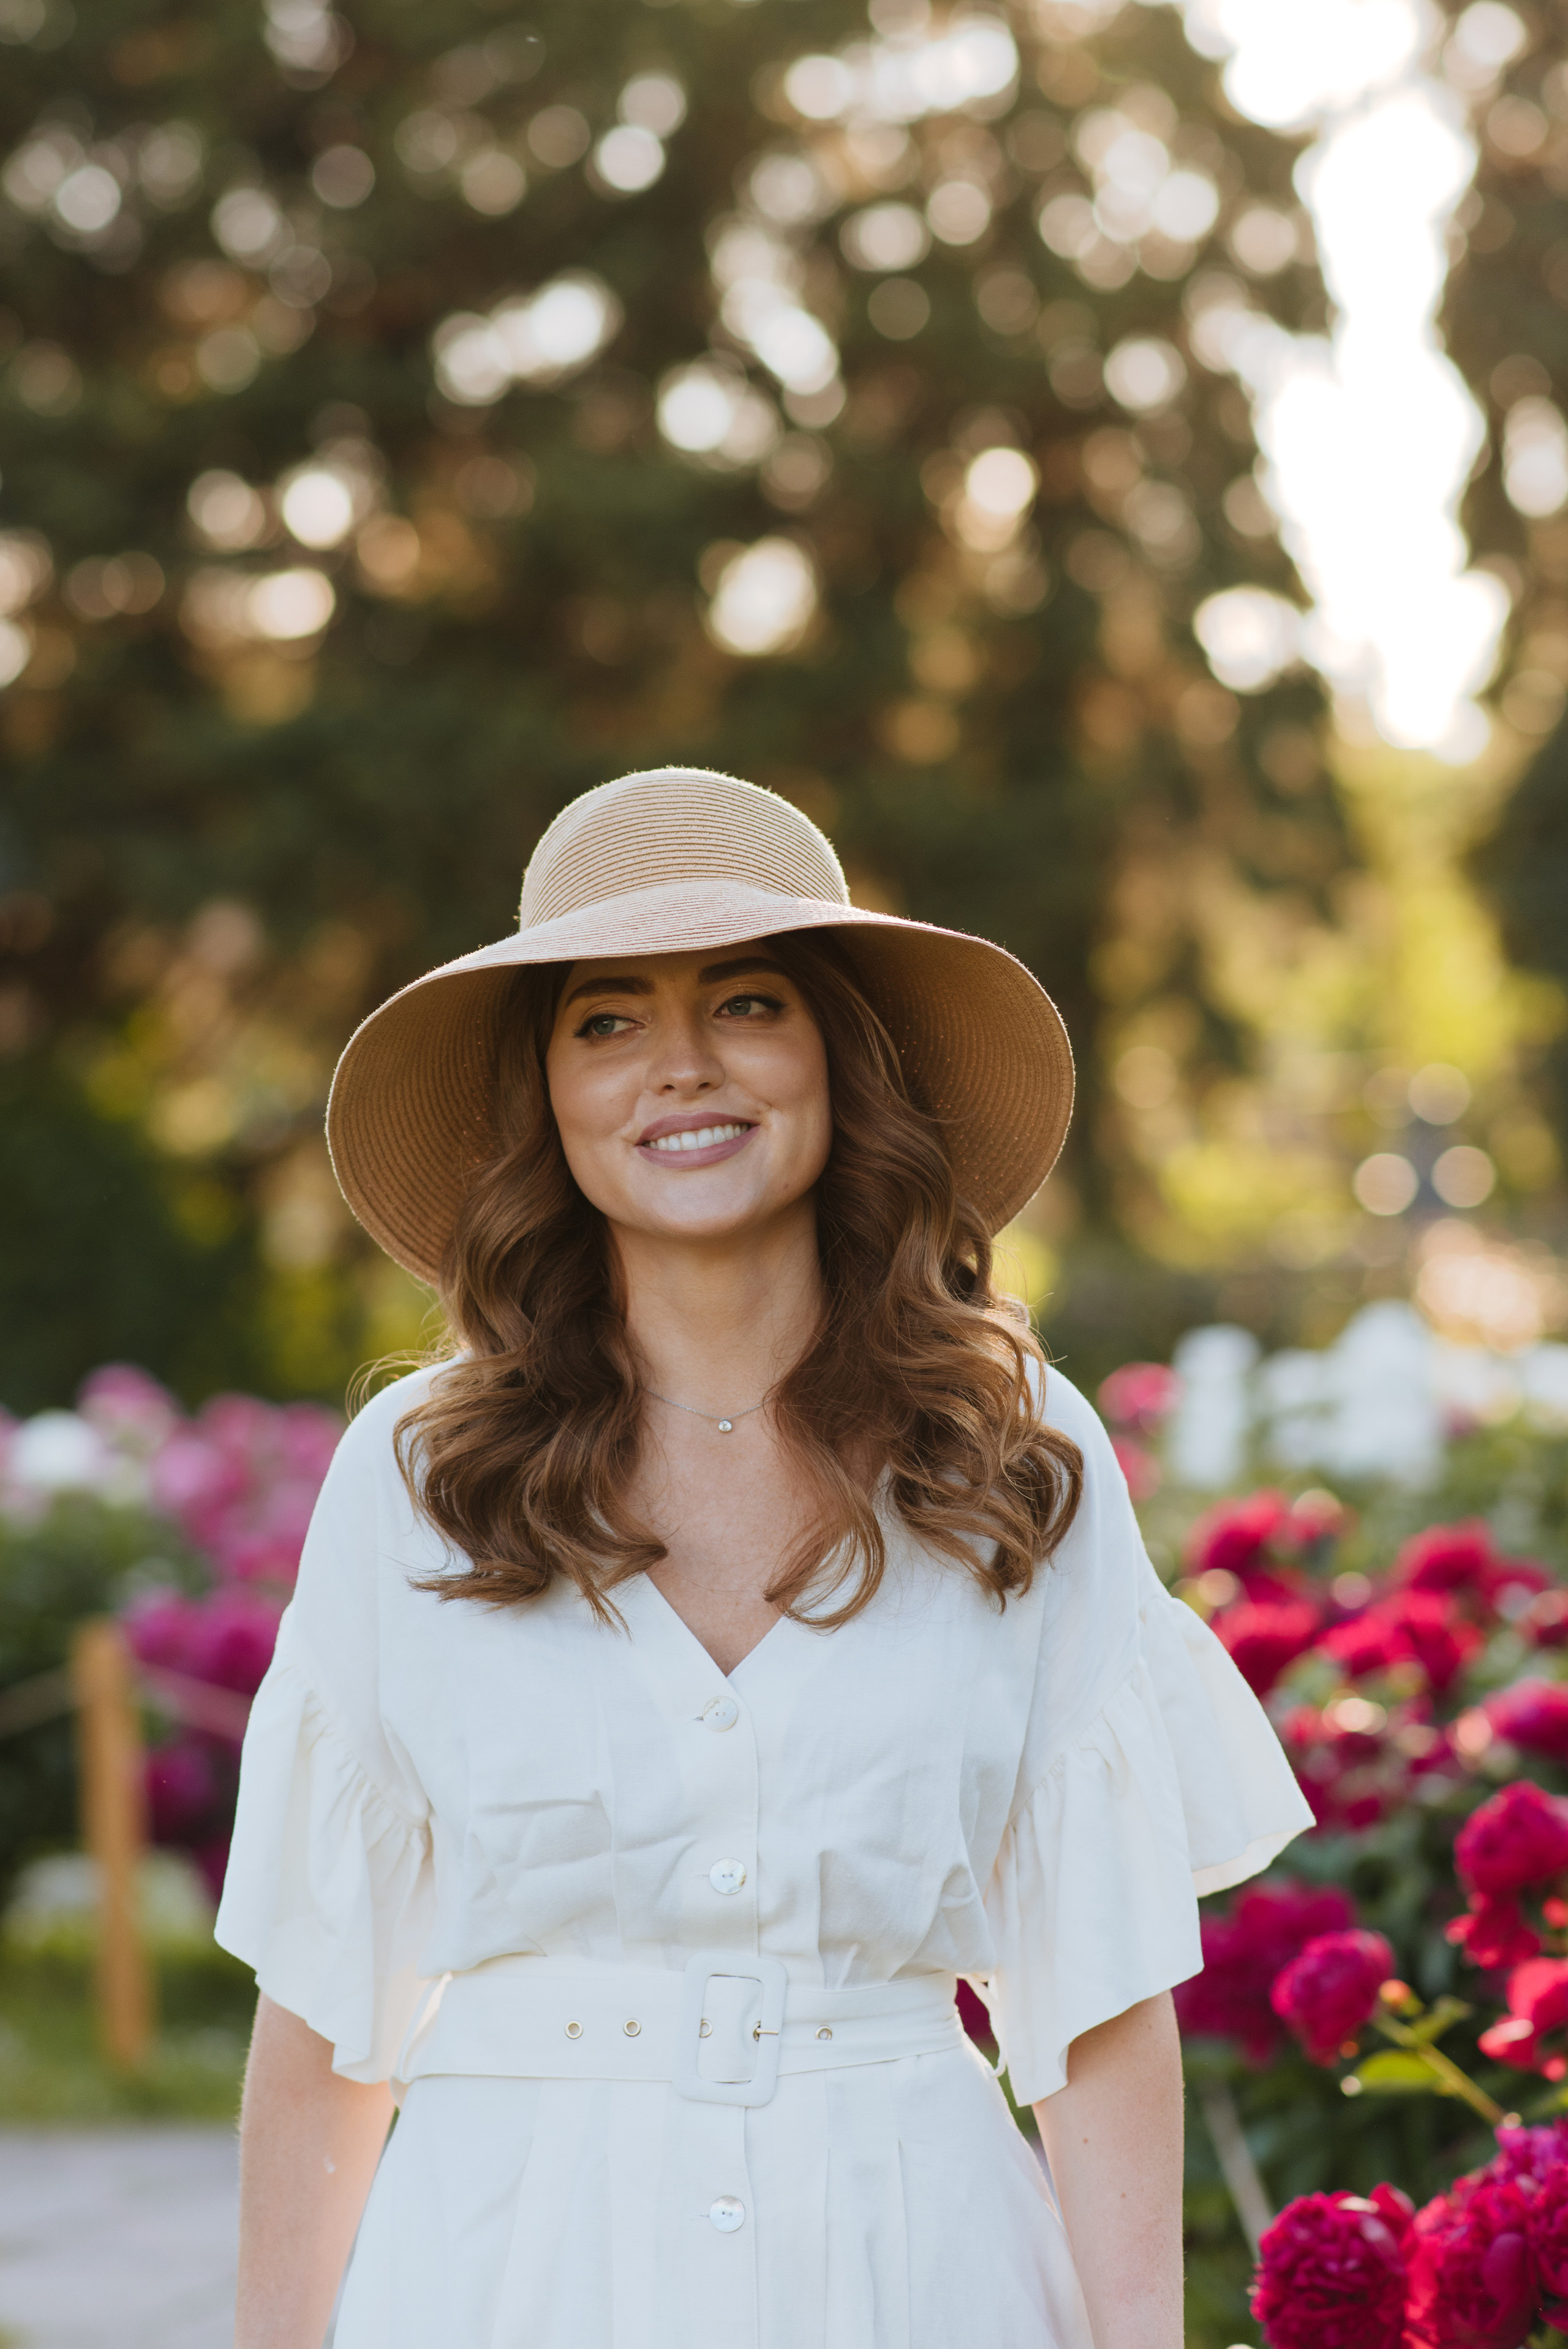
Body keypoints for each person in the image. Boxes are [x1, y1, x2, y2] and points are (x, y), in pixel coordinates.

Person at [219, 766, 1310, 2349]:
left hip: (922, 2267)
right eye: (604, 1019)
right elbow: (324, 2012)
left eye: (745, 1001)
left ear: (833, 1056)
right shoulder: (416, 1475)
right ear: (549, 1090)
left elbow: (1098, 1999)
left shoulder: (1010, 1447)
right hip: (508, 2270)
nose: (679, 1066)